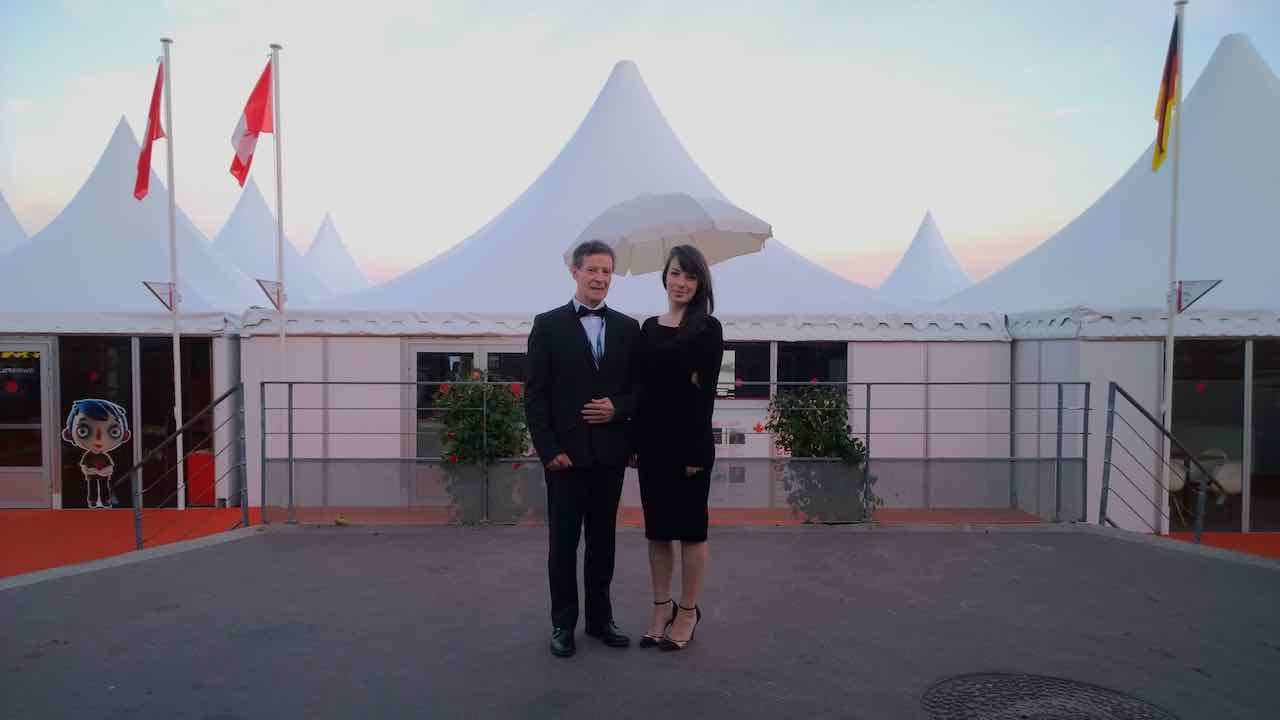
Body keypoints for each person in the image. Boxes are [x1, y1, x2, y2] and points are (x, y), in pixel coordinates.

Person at [524, 239, 641, 658]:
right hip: (565, 458)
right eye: (592, 269)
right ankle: (563, 623)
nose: (599, 278)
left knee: (603, 543)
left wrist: (618, 408)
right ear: (574, 272)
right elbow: (534, 395)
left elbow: (639, 390)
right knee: (562, 545)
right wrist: (548, 449)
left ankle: (599, 619)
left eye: (606, 271)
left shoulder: (628, 328)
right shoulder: (547, 325)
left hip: (609, 456)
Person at [631, 245, 723, 651]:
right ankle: (660, 607)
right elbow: (642, 388)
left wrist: (695, 452)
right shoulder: (648, 328)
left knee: (691, 533)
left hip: (689, 446)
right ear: (664, 277)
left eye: (690, 275)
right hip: (651, 443)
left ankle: (687, 611)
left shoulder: (707, 328)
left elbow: (704, 396)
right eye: (675, 273)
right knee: (657, 533)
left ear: (700, 282)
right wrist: (635, 442)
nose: (681, 282)